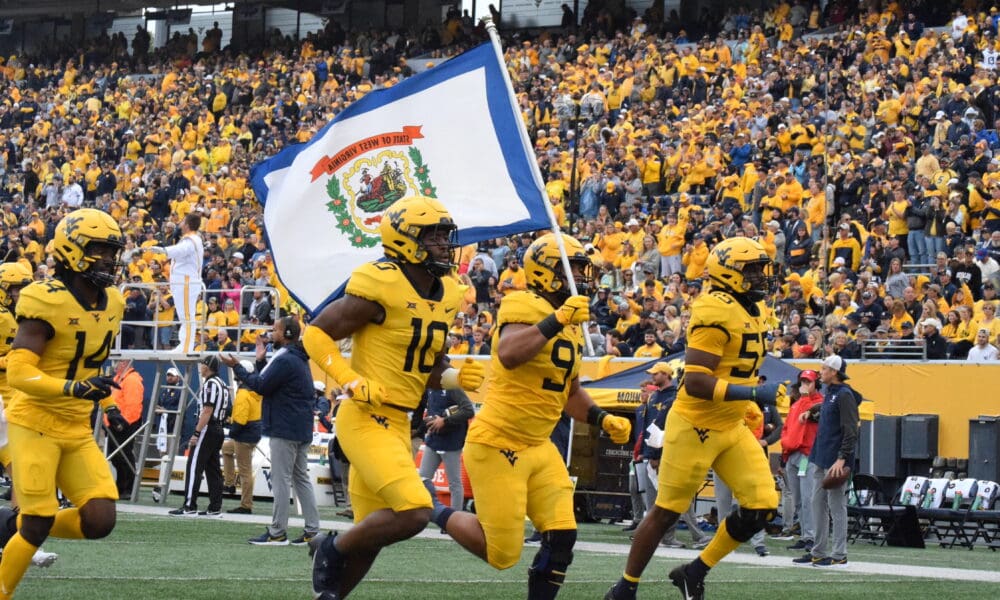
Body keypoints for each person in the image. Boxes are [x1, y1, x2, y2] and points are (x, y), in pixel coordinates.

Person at [302, 196, 485, 600]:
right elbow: (314, 333)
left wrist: (454, 375)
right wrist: (349, 379)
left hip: (400, 422)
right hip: (365, 416)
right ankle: (328, 547)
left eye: (444, 235)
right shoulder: (380, 281)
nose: (443, 244)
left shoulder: (449, 292)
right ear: (404, 239)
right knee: (416, 511)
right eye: (433, 236)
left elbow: (429, 364)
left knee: (371, 536)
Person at [432, 233, 631, 599]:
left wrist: (602, 418)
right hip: (499, 442)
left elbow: (568, 392)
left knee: (562, 537)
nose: (580, 277)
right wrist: (557, 319)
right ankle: (429, 508)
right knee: (502, 553)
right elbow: (509, 353)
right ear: (545, 271)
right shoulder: (523, 302)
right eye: (571, 269)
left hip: (538, 446)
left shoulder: (569, 323)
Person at [607, 237, 784, 600]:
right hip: (696, 425)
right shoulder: (713, 308)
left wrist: (746, 397)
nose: (758, 276)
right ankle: (625, 587)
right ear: (729, 273)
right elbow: (700, 381)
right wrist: (751, 393)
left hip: (731, 425)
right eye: (750, 269)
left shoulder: (751, 308)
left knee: (762, 506)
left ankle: (694, 571)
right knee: (665, 513)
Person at [0, 209, 129, 598]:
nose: (108, 259)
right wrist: (73, 389)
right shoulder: (45, 299)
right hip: (34, 420)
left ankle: (12, 521)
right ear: (71, 250)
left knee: (100, 518)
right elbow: (21, 373)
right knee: (37, 522)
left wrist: (104, 404)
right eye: (99, 250)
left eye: (112, 251)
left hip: (75, 427)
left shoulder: (114, 304)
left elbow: (95, 367)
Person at [222, 316, 321, 546]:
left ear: (286, 333)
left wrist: (237, 366)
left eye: (275, 329)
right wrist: (259, 362)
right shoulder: (296, 358)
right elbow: (269, 381)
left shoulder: (286, 358)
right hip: (299, 427)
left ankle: (278, 531)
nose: (271, 333)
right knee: (300, 478)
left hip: (284, 427)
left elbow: (261, 386)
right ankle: (313, 530)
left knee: (281, 479)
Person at [0, 261, 60, 570]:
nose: (19, 293)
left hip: (13, 404)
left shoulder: (17, 316)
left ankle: (24, 544)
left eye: (23, 287)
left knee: (21, 474)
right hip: (5, 400)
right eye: (14, 288)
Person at [792, 355, 860, 568]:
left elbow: (850, 430)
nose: (821, 371)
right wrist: (811, 413)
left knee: (836, 506)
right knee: (816, 503)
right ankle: (819, 551)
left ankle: (840, 554)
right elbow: (827, 411)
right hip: (820, 455)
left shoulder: (845, 394)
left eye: (824, 368)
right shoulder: (830, 393)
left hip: (835, 460)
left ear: (835, 372)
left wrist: (842, 458)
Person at [170, 355, 231, 516]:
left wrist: (196, 432)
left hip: (208, 428)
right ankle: (215, 507)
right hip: (218, 428)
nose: (200, 366)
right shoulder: (223, 384)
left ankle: (189, 505)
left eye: (203, 364)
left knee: (194, 466)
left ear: (208, 366)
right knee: (213, 469)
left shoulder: (211, 384)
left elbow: (207, 410)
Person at [779, 369, 823, 552]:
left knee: (807, 498)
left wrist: (805, 398)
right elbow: (787, 427)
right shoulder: (796, 404)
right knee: (797, 499)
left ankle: (811, 537)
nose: (805, 385)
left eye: (808, 382)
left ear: (815, 384)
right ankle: (806, 535)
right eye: (803, 382)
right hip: (793, 454)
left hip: (806, 455)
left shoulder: (820, 403)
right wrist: (784, 452)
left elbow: (811, 414)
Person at [149, 213, 204, 353]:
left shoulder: (191, 240)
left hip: (186, 282)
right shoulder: (189, 239)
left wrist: (163, 250)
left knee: (186, 315)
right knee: (183, 315)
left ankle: (187, 346)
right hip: (182, 282)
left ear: (187, 224)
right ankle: (184, 344)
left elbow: (180, 250)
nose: (180, 223)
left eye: (183, 220)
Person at [418, 387, 474, 513]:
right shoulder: (430, 387)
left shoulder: (452, 387)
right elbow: (431, 411)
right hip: (434, 439)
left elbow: (469, 410)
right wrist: (423, 426)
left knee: (454, 483)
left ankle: (455, 518)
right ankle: (422, 511)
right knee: (422, 478)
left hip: (451, 441)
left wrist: (445, 420)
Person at [222, 359, 262, 515]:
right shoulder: (254, 390)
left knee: (245, 471)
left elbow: (240, 418)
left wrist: (232, 429)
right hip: (252, 432)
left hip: (244, 434)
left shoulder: (243, 393)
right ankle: (229, 483)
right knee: (226, 449)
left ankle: (246, 505)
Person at [108, 359, 145, 498]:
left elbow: (133, 405)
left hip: (125, 423)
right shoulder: (119, 378)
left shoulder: (132, 380)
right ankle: (122, 485)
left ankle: (128, 487)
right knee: (116, 456)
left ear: (124, 363)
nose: (114, 366)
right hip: (115, 423)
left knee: (123, 455)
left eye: (116, 363)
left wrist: (123, 422)